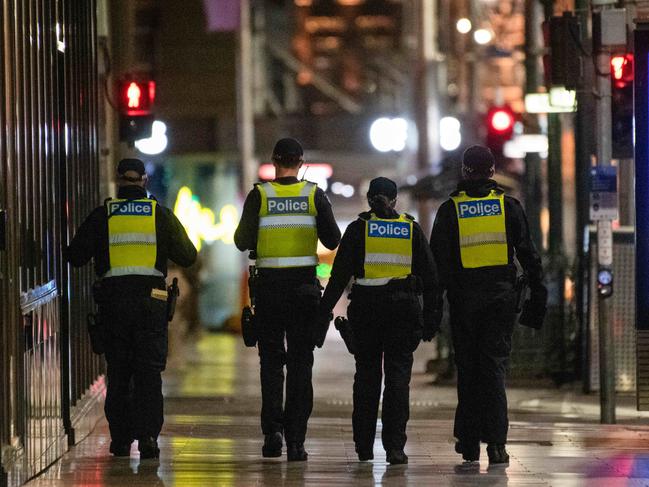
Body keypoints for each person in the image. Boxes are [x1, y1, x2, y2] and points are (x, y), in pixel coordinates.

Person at [64, 158, 197, 459]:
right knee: (149, 372)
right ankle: (149, 437)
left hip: (114, 304)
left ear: (118, 181)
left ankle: (121, 440)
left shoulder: (104, 216)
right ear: (144, 181)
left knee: (120, 371)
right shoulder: (158, 215)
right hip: (151, 304)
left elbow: (75, 256)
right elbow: (188, 255)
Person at [429, 145, 546, 466]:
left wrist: (433, 310)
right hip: (501, 302)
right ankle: (496, 444)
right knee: (493, 369)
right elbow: (529, 256)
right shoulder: (508, 207)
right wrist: (538, 295)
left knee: (468, 370)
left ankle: (468, 442)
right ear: (493, 172)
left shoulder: (450, 210)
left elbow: (437, 268)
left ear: (465, 172)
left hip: (464, 303)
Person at [315, 177, 441, 465]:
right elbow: (432, 278)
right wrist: (433, 318)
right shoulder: (410, 229)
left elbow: (338, 278)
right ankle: (395, 448)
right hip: (403, 313)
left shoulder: (358, 229)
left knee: (367, 379)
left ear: (369, 199)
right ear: (395, 201)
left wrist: (322, 314)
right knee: (398, 380)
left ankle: (363, 447)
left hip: (367, 313)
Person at [234, 137, 341, 461]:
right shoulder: (312, 195)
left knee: (271, 365)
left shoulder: (260, 195)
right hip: (303, 294)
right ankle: (296, 442)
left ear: (274, 161)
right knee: (300, 366)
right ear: (301, 161)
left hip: (268, 292)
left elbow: (242, 241)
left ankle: (272, 436)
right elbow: (333, 239)